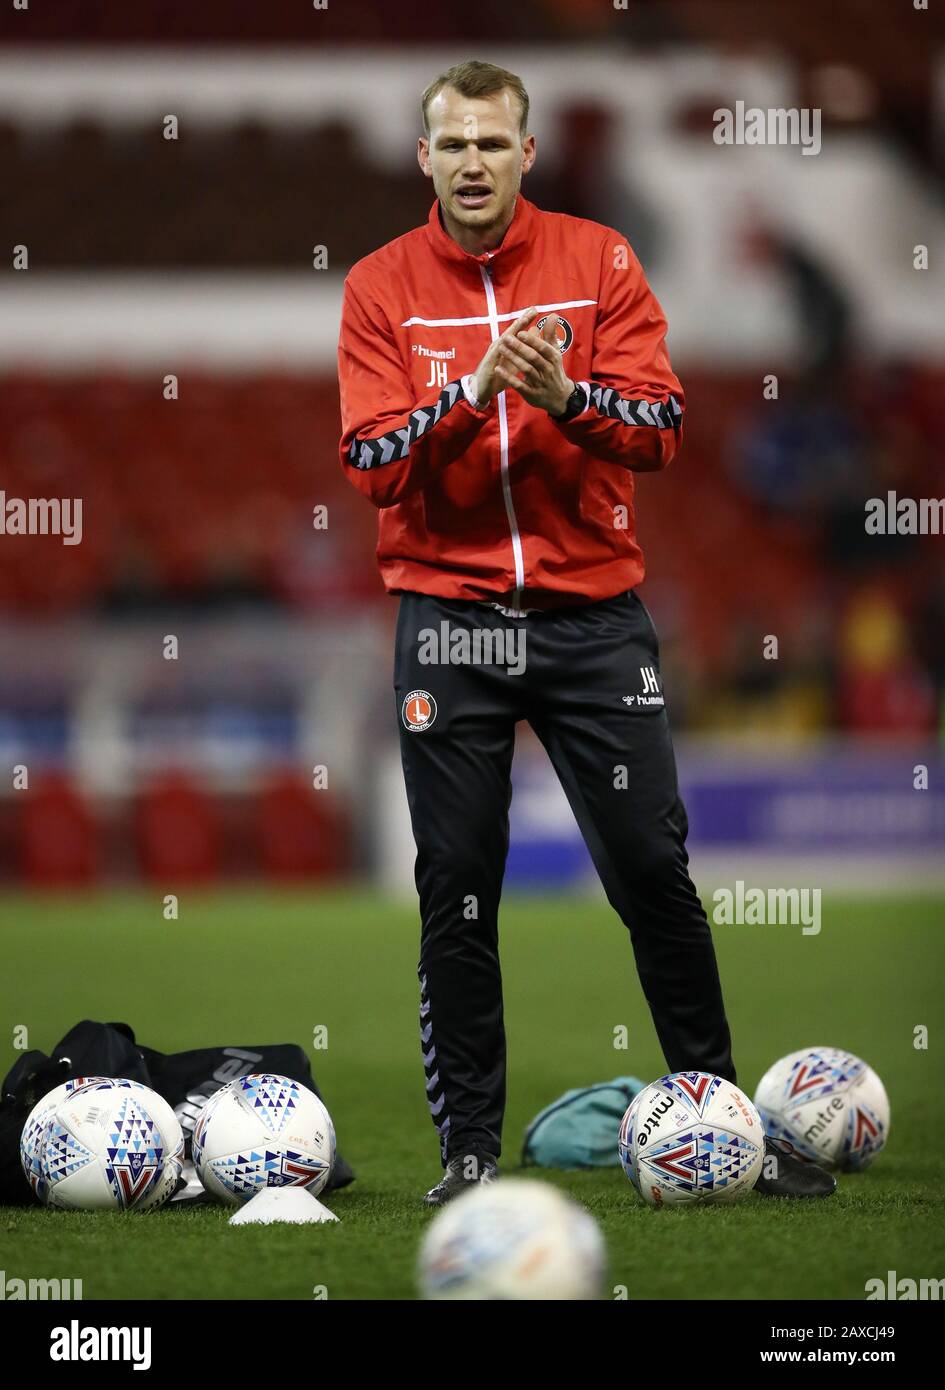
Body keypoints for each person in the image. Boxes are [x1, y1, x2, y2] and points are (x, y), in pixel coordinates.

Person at [337, 59, 835, 1205]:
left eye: (493, 143)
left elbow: (660, 426)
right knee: (458, 883)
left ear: (527, 153)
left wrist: (563, 397)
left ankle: (719, 1121)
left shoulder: (600, 260)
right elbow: (369, 464)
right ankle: (469, 1152)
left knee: (655, 871)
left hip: (590, 620)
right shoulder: (377, 287)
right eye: (451, 144)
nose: (472, 162)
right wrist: (468, 395)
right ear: (425, 158)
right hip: (450, 621)